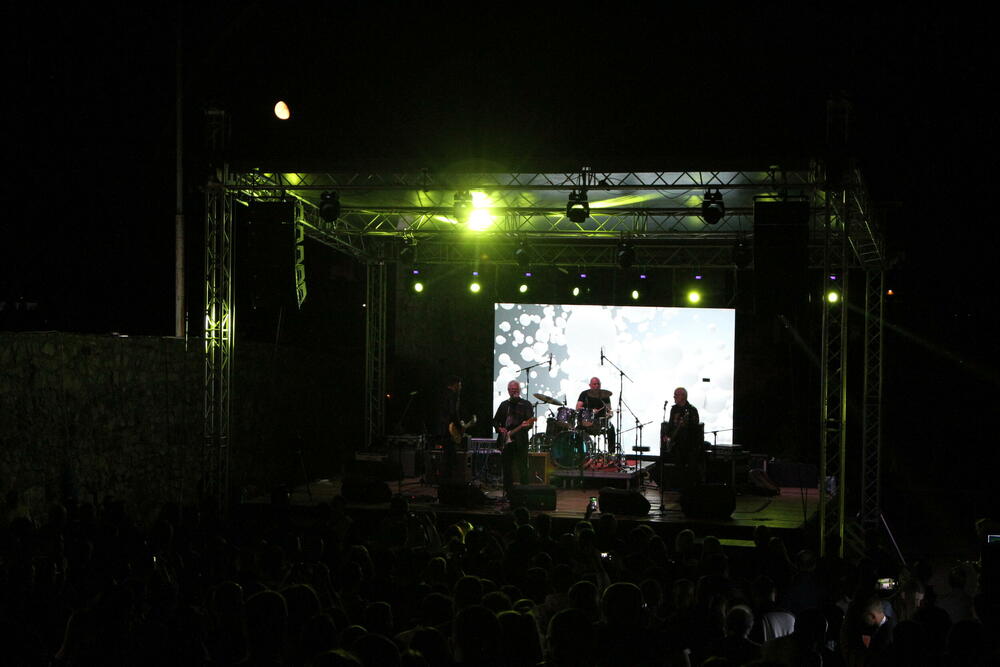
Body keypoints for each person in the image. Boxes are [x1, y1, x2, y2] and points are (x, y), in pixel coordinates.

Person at [493, 380, 535, 497]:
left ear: (519, 390)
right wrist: (499, 429)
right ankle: (508, 493)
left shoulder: (526, 404)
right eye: (512, 390)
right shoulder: (504, 405)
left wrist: (527, 425)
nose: (514, 391)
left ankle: (525, 493)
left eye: (516, 389)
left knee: (522, 466)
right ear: (508, 391)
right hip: (506, 441)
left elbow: (530, 422)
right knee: (507, 467)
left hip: (521, 439)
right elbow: (495, 420)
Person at [662, 387, 703, 486]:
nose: (674, 397)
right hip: (676, 444)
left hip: (689, 444)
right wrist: (667, 435)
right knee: (678, 467)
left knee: (690, 468)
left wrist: (684, 424)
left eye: (676, 395)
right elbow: (671, 424)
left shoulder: (692, 410)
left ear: (683, 396)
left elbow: (695, 428)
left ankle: (690, 488)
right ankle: (680, 487)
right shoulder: (674, 409)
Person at [433, 375, 465, 482]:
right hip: (448, 431)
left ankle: (444, 481)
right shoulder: (452, 396)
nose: (460, 388)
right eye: (460, 385)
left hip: (441, 429)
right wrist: (460, 427)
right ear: (455, 384)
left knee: (446, 456)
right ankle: (448, 482)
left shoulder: (441, 394)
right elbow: (453, 413)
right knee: (450, 458)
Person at [576, 377, 616, 453]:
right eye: (594, 384)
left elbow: (609, 410)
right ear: (590, 385)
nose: (597, 386)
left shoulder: (605, 395)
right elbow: (578, 407)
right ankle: (580, 453)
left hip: (601, 422)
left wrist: (609, 414)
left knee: (611, 428)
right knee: (577, 430)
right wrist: (591, 410)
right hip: (586, 421)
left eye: (598, 384)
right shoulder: (584, 394)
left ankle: (611, 454)